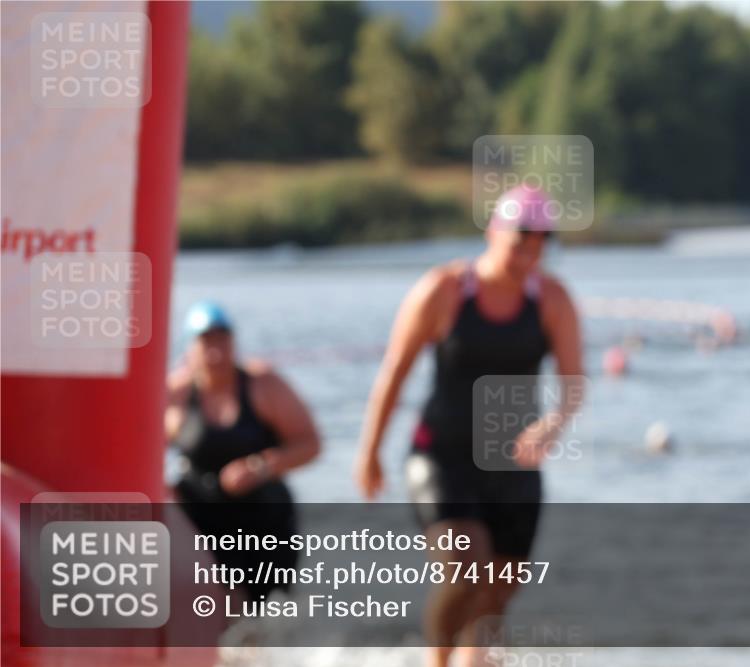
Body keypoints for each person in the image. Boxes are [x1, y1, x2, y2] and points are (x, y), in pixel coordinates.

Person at [354, 185, 584, 667]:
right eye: (522, 236)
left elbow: (573, 384)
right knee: (464, 571)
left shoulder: (552, 300)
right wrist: (369, 450)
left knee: (498, 596)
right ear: (493, 231)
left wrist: (552, 425)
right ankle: (434, 661)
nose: (531, 249)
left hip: (512, 462)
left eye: (542, 239)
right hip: (442, 455)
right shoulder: (445, 290)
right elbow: (394, 372)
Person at [165, 300, 321, 599]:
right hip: (203, 515)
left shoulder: (263, 385)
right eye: (205, 343)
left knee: (267, 607)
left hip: (261, 516)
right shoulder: (175, 394)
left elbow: (310, 444)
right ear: (189, 349)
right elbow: (141, 452)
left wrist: (261, 466)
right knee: (213, 604)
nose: (215, 353)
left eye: (222, 341)